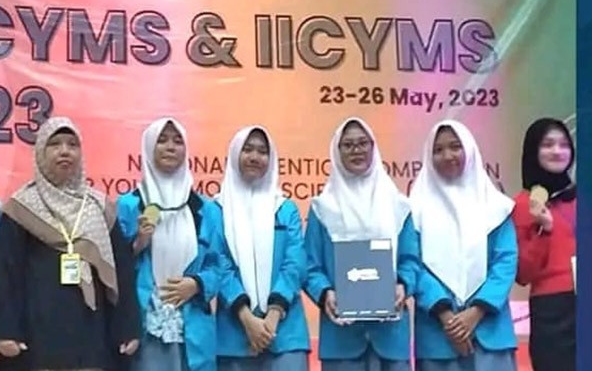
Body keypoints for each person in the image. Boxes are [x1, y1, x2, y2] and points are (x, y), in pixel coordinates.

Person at [0, 116, 141, 371]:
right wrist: (4, 330)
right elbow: (5, 273)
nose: (64, 151)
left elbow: (121, 270)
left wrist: (127, 327)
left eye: (72, 144)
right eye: (54, 144)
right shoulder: (21, 208)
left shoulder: (98, 207)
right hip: (36, 338)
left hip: (91, 336)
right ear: (40, 153)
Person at [303, 117, 418, 371]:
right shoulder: (322, 208)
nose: (356, 150)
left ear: (373, 147)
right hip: (341, 338)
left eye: (363, 143)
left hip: (390, 336)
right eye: (348, 145)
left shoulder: (398, 206)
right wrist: (324, 292)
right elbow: (310, 265)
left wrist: (403, 284)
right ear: (337, 151)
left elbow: (411, 260)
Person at [117, 117, 230, 371]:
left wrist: (197, 284)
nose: (170, 147)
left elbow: (218, 263)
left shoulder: (205, 209)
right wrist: (138, 244)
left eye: (178, 141)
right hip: (145, 323)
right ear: (149, 147)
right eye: (163, 140)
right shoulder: (129, 205)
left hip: (193, 322)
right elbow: (115, 269)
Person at [410, 121, 518, 371]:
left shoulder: (497, 207)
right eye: (438, 150)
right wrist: (446, 315)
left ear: (469, 149)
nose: (448, 155)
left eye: (455, 147)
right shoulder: (414, 210)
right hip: (437, 336)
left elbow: (505, 262)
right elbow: (414, 265)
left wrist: (476, 312)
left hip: (491, 333)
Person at [215, 126, 310, 371]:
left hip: (285, 333)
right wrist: (247, 318)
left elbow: (295, 264)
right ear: (235, 154)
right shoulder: (216, 210)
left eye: (262, 151)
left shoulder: (285, 209)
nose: (255, 157)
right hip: (234, 334)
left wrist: (273, 315)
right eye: (247, 150)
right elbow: (219, 265)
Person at [511, 118, 577, 371]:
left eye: (564, 144)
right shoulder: (523, 204)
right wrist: (543, 229)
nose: (557, 151)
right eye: (548, 144)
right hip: (553, 310)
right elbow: (523, 275)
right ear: (533, 151)